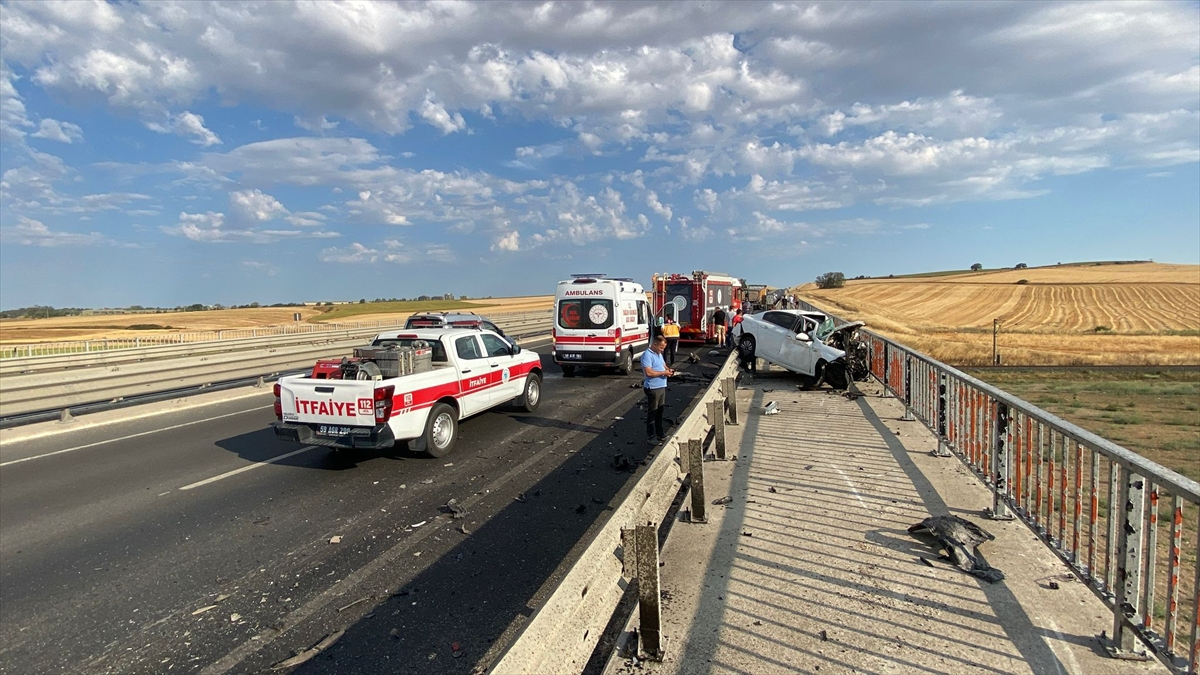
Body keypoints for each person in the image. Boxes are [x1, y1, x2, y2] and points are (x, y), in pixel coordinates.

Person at [641, 335, 674, 443]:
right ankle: (650, 436)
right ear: (654, 344)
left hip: (661, 386)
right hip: (653, 388)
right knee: (653, 412)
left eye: (663, 348)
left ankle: (660, 434)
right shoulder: (647, 355)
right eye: (661, 348)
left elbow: (663, 365)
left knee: (660, 411)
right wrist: (664, 373)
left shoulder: (658, 354)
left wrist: (668, 370)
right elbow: (649, 372)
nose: (662, 350)